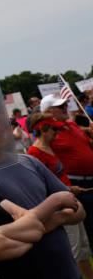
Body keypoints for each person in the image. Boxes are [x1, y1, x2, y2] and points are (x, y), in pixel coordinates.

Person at [0, 106, 93, 279]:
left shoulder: (28, 161)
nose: (1, 129)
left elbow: (78, 210)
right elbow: (1, 237)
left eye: (3, 123)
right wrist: (55, 208)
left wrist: (56, 219)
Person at [26, 111, 93, 279]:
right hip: (60, 207)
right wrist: (68, 189)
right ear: (43, 129)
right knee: (74, 250)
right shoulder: (34, 153)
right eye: (54, 130)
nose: (57, 133)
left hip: (70, 200)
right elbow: (40, 185)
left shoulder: (50, 147)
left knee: (83, 247)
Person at [40, 94, 93, 246]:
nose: (66, 108)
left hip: (90, 180)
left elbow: (88, 147)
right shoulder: (48, 134)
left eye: (65, 105)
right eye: (61, 106)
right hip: (76, 184)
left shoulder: (72, 124)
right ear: (48, 112)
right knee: (88, 229)